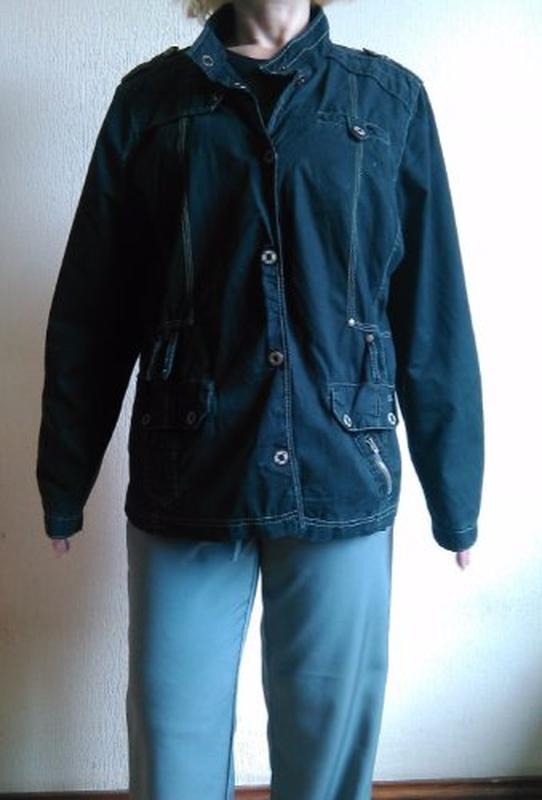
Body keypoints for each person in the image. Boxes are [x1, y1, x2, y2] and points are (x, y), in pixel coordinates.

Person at [36, 0, 485, 796]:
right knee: (172, 747)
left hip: (343, 468)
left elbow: (431, 309)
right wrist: (64, 480)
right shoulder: (151, 103)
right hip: (188, 474)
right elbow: (94, 307)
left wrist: (456, 495)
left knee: (327, 754)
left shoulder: (389, 102)